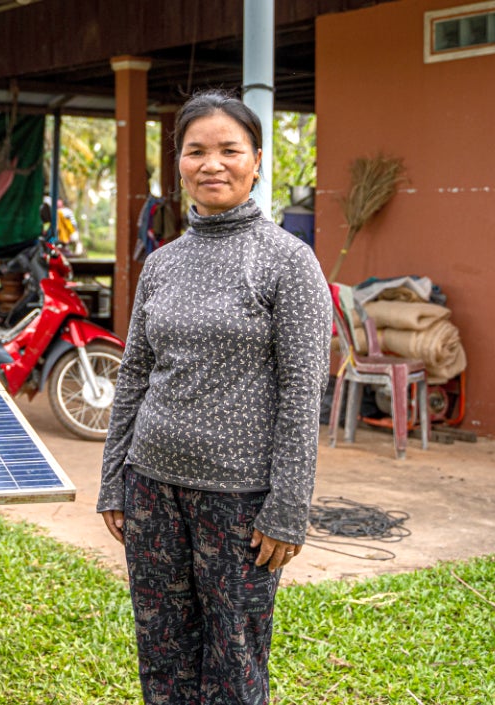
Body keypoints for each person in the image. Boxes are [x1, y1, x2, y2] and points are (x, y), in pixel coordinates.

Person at [97, 90, 332, 705]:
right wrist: (113, 479)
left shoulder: (288, 262)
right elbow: (133, 377)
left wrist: (288, 507)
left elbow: (304, 393)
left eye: (230, 149)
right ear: (178, 164)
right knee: (162, 648)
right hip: (150, 487)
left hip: (241, 502)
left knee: (235, 657)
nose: (213, 164)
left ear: (256, 160)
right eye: (197, 151)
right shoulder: (163, 264)